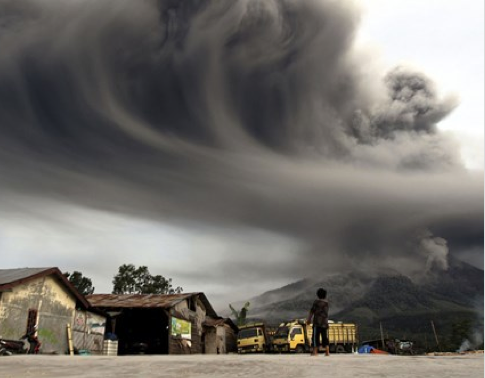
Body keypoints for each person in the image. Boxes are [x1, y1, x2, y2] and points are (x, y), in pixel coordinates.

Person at [306, 288, 329, 356]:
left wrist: (309, 319)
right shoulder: (327, 303)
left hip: (317, 323)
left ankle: (315, 352)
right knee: (324, 337)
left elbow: (312, 311)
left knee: (315, 337)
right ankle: (327, 352)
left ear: (318, 295)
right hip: (325, 323)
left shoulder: (316, 302)